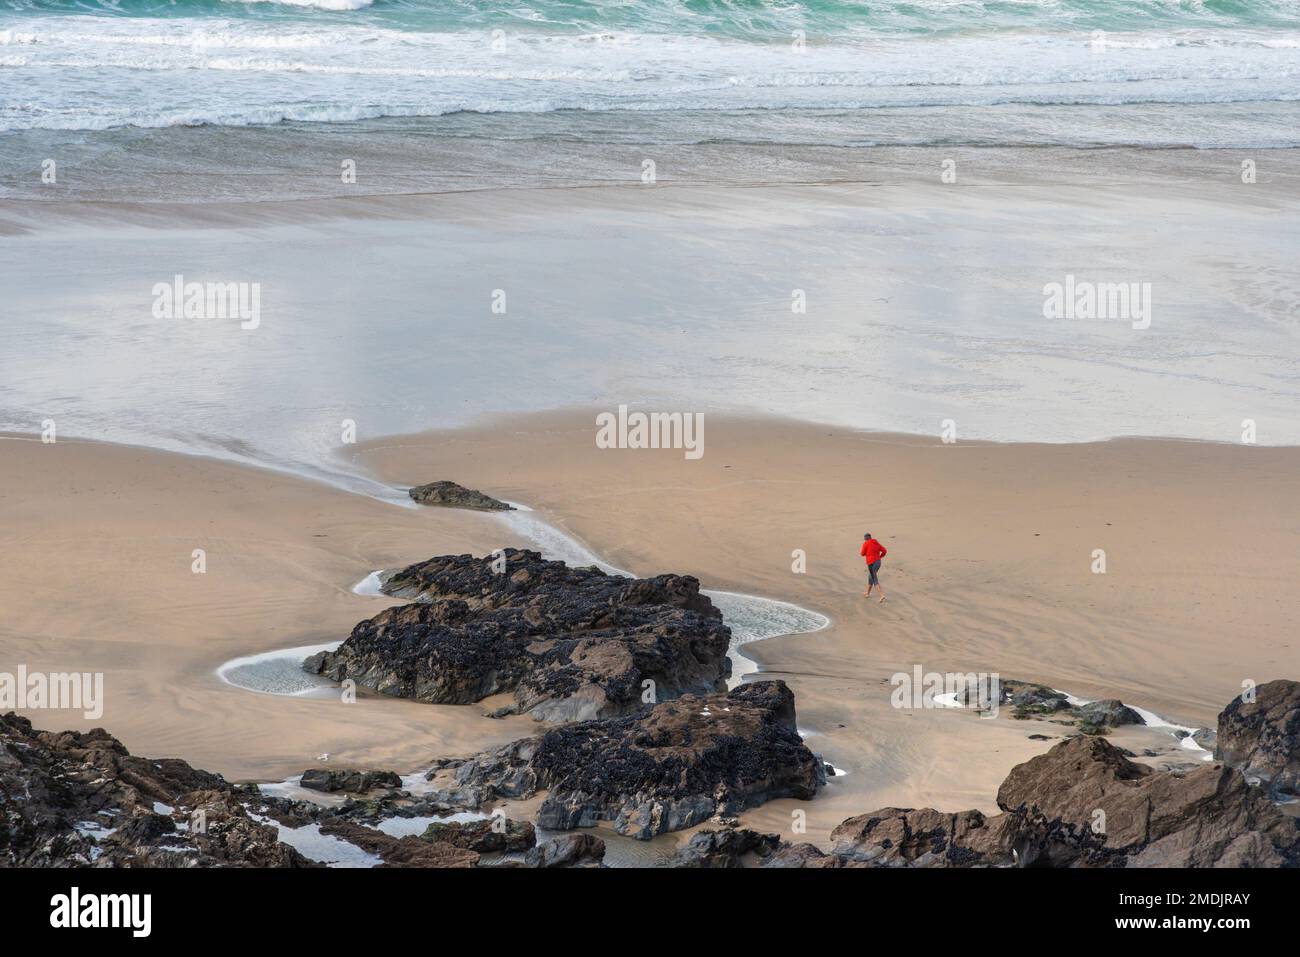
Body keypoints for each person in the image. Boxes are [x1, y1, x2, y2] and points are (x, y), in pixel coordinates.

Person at [860, 533, 887, 602]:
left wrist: (867, 552)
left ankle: (881, 595)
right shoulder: (876, 542)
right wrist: (880, 557)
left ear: (865, 538)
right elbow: (884, 551)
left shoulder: (866, 543)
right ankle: (867, 593)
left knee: (874, 578)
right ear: (870, 537)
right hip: (878, 562)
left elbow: (862, 554)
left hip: (871, 563)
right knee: (870, 577)